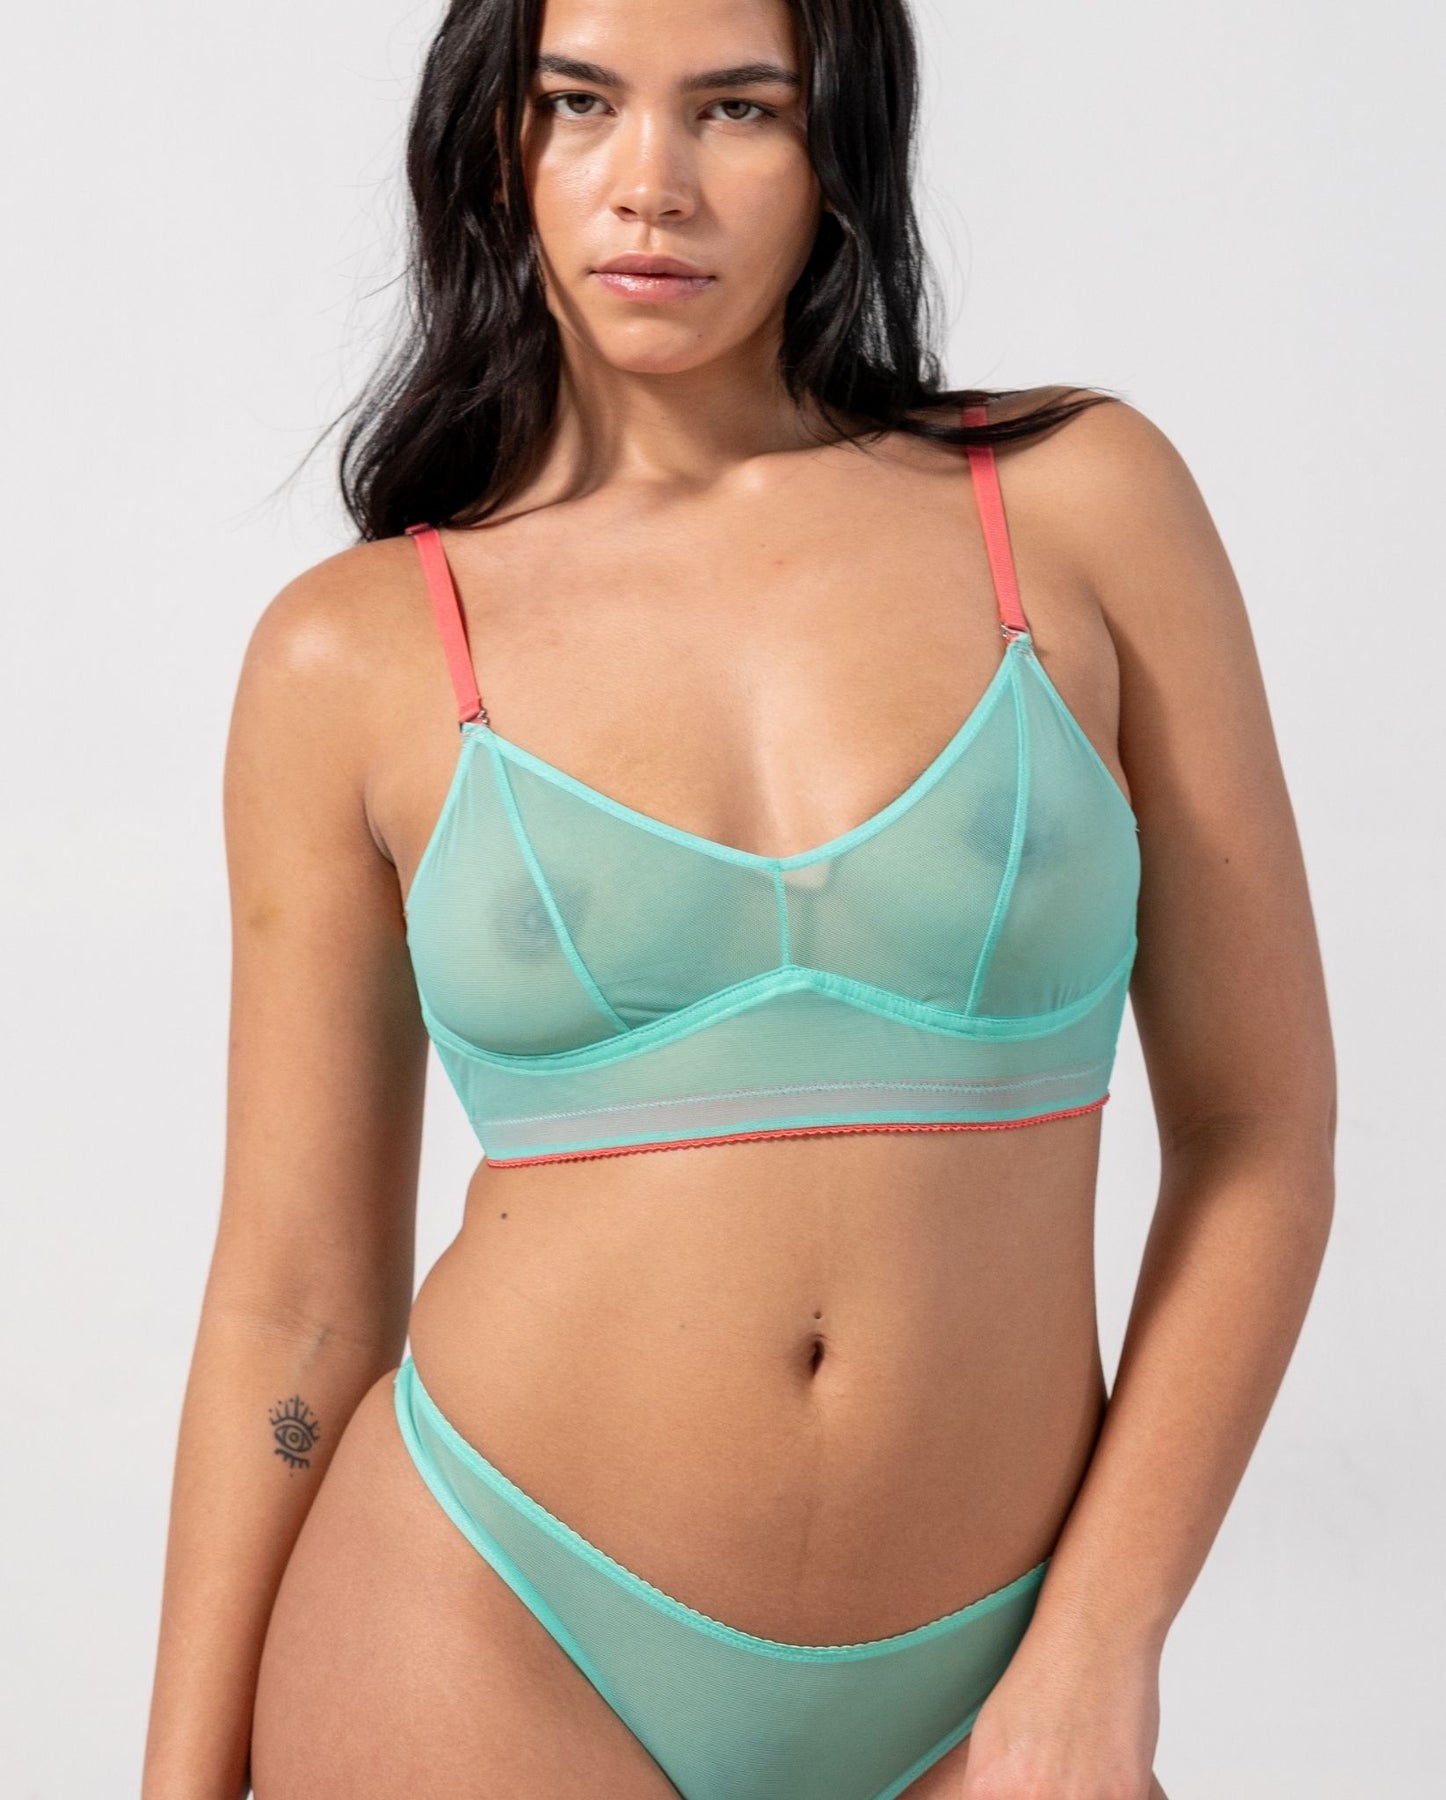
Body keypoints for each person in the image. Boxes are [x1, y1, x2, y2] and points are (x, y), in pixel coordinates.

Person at [142, 1, 1336, 1796]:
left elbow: (1258, 1137)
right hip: (480, 1620)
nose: (653, 184)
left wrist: (1099, 1648)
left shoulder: (1075, 508)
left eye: (737, 110)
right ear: (495, 149)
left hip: (1005, 1666)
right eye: (578, 103)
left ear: (838, 148)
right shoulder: (357, 652)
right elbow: (295, 1302)